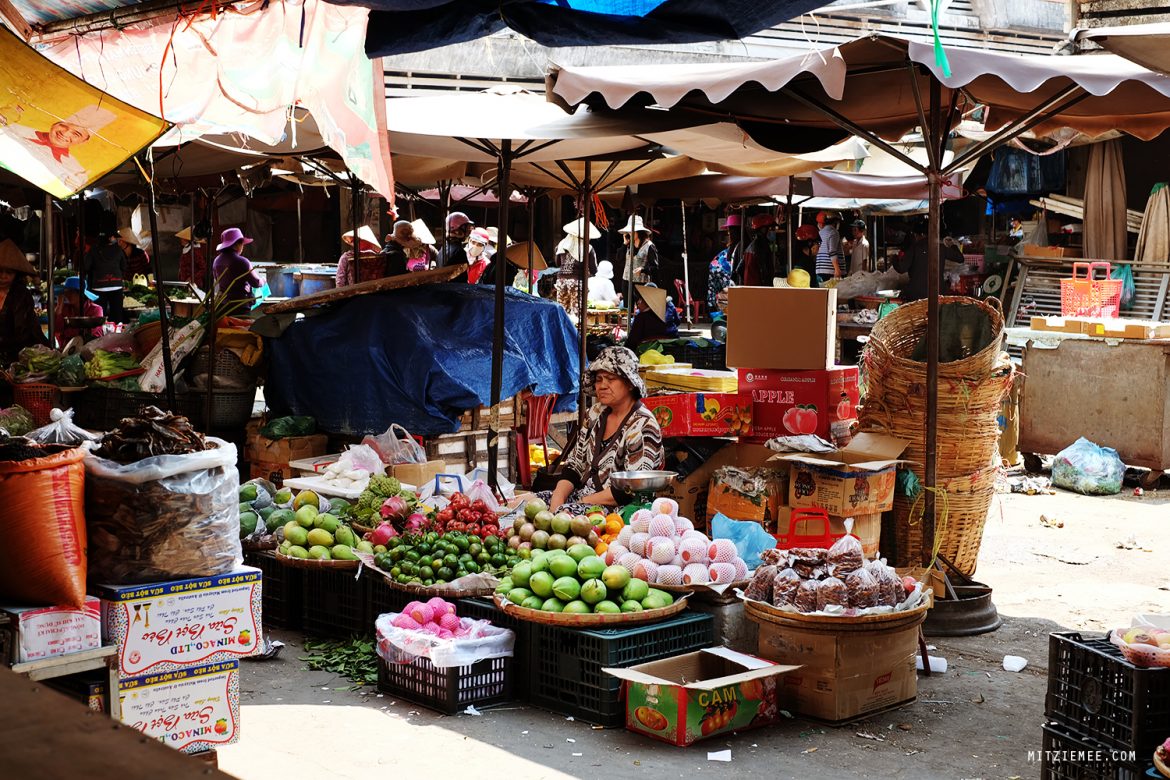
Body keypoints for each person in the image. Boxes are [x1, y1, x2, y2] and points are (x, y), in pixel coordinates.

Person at [545, 346, 664, 512]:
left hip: (621, 508)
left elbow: (631, 488)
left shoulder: (643, 425)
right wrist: (558, 498)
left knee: (564, 517)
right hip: (583, 496)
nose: (602, 385)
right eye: (599, 379)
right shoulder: (594, 414)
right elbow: (575, 465)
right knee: (525, 504)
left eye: (610, 379)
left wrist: (580, 503)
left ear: (629, 384)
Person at [0, 105, 116, 193]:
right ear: (55, 122)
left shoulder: (76, 171)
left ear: (84, 141)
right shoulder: (14, 128)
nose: (65, 133)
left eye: (76, 134)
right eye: (64, 125)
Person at [0, 240, 45, 364]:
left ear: (16, 274)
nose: (3, 276)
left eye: (9, 272)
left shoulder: (21, 295)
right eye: (0, 271)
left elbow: (23, 331)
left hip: (19, 357)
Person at [553, 218, 599, 325]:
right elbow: (594, 269)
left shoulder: (561, 245)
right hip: (577, 282)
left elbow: (558, 263)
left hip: (561, 282)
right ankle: (576, 339)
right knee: (577, 314)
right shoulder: (588, 248)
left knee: (563, 312)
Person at [213, 227, 261, 314]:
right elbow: (256, 283)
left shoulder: (216, 261)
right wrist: (263, 280)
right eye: (242, 244)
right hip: (240, 307)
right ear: (236, 245)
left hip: (223, 306)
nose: (243, 247)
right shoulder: (242, 261)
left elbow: (217, 280)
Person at [81, 233, 126, 323]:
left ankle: (100, 335)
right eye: (114, 237)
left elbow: (86, 266)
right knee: (117, 317)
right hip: (116, 286)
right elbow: (124, 266)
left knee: (99, 317)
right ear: (109, 238)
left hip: (99, 286)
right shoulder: (118, 249)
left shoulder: (93, 249)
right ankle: (117, 334)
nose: (115, 239)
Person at [53, 276, 103, 347]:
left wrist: (67, 331)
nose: (67, 295)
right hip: (68, 349)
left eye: (71, 292)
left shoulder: (96, 309)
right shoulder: (65, 309)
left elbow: (90, 333)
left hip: (91, 348)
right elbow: (57, 330)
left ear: (81, 294)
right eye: (66, 292)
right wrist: (59, 307)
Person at [625, 283, 679, 348]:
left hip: (651, 347)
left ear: (647, 301)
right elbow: (677, 321)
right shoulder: (669, 306)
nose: (638, 302)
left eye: (641, 299)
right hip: (672, 344)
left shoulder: (641, 317)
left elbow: (632, 340)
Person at [706, 215, 740, 311]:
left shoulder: (734, 247)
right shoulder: (736, 247)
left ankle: (714, 307)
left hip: (719, 272)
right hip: (722, 272)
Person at [619, 215, 659, 288]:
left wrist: (643, 269)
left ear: (639, 232)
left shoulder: (649, 246)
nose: (630, 233)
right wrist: (624, 244)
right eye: (629, 232)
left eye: (632, 231)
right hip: (626, 282)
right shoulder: (628, 244)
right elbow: (619, 259)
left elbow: (655, 267)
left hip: (641, 284)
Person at [743, 213, 777, 286]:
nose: (774, 231)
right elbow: (764, 272)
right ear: (764, 229)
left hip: (751, 289)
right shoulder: (761, 246)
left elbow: (740, 269)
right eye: (772, 228)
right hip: (759, 290)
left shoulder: (751, 245)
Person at [815, 211, 843, 286]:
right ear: (835, 222)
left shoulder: (820, 232)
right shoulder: (834, 232)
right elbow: (832, 251)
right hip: (830, 271)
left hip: (820, 270)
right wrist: (837, 269)